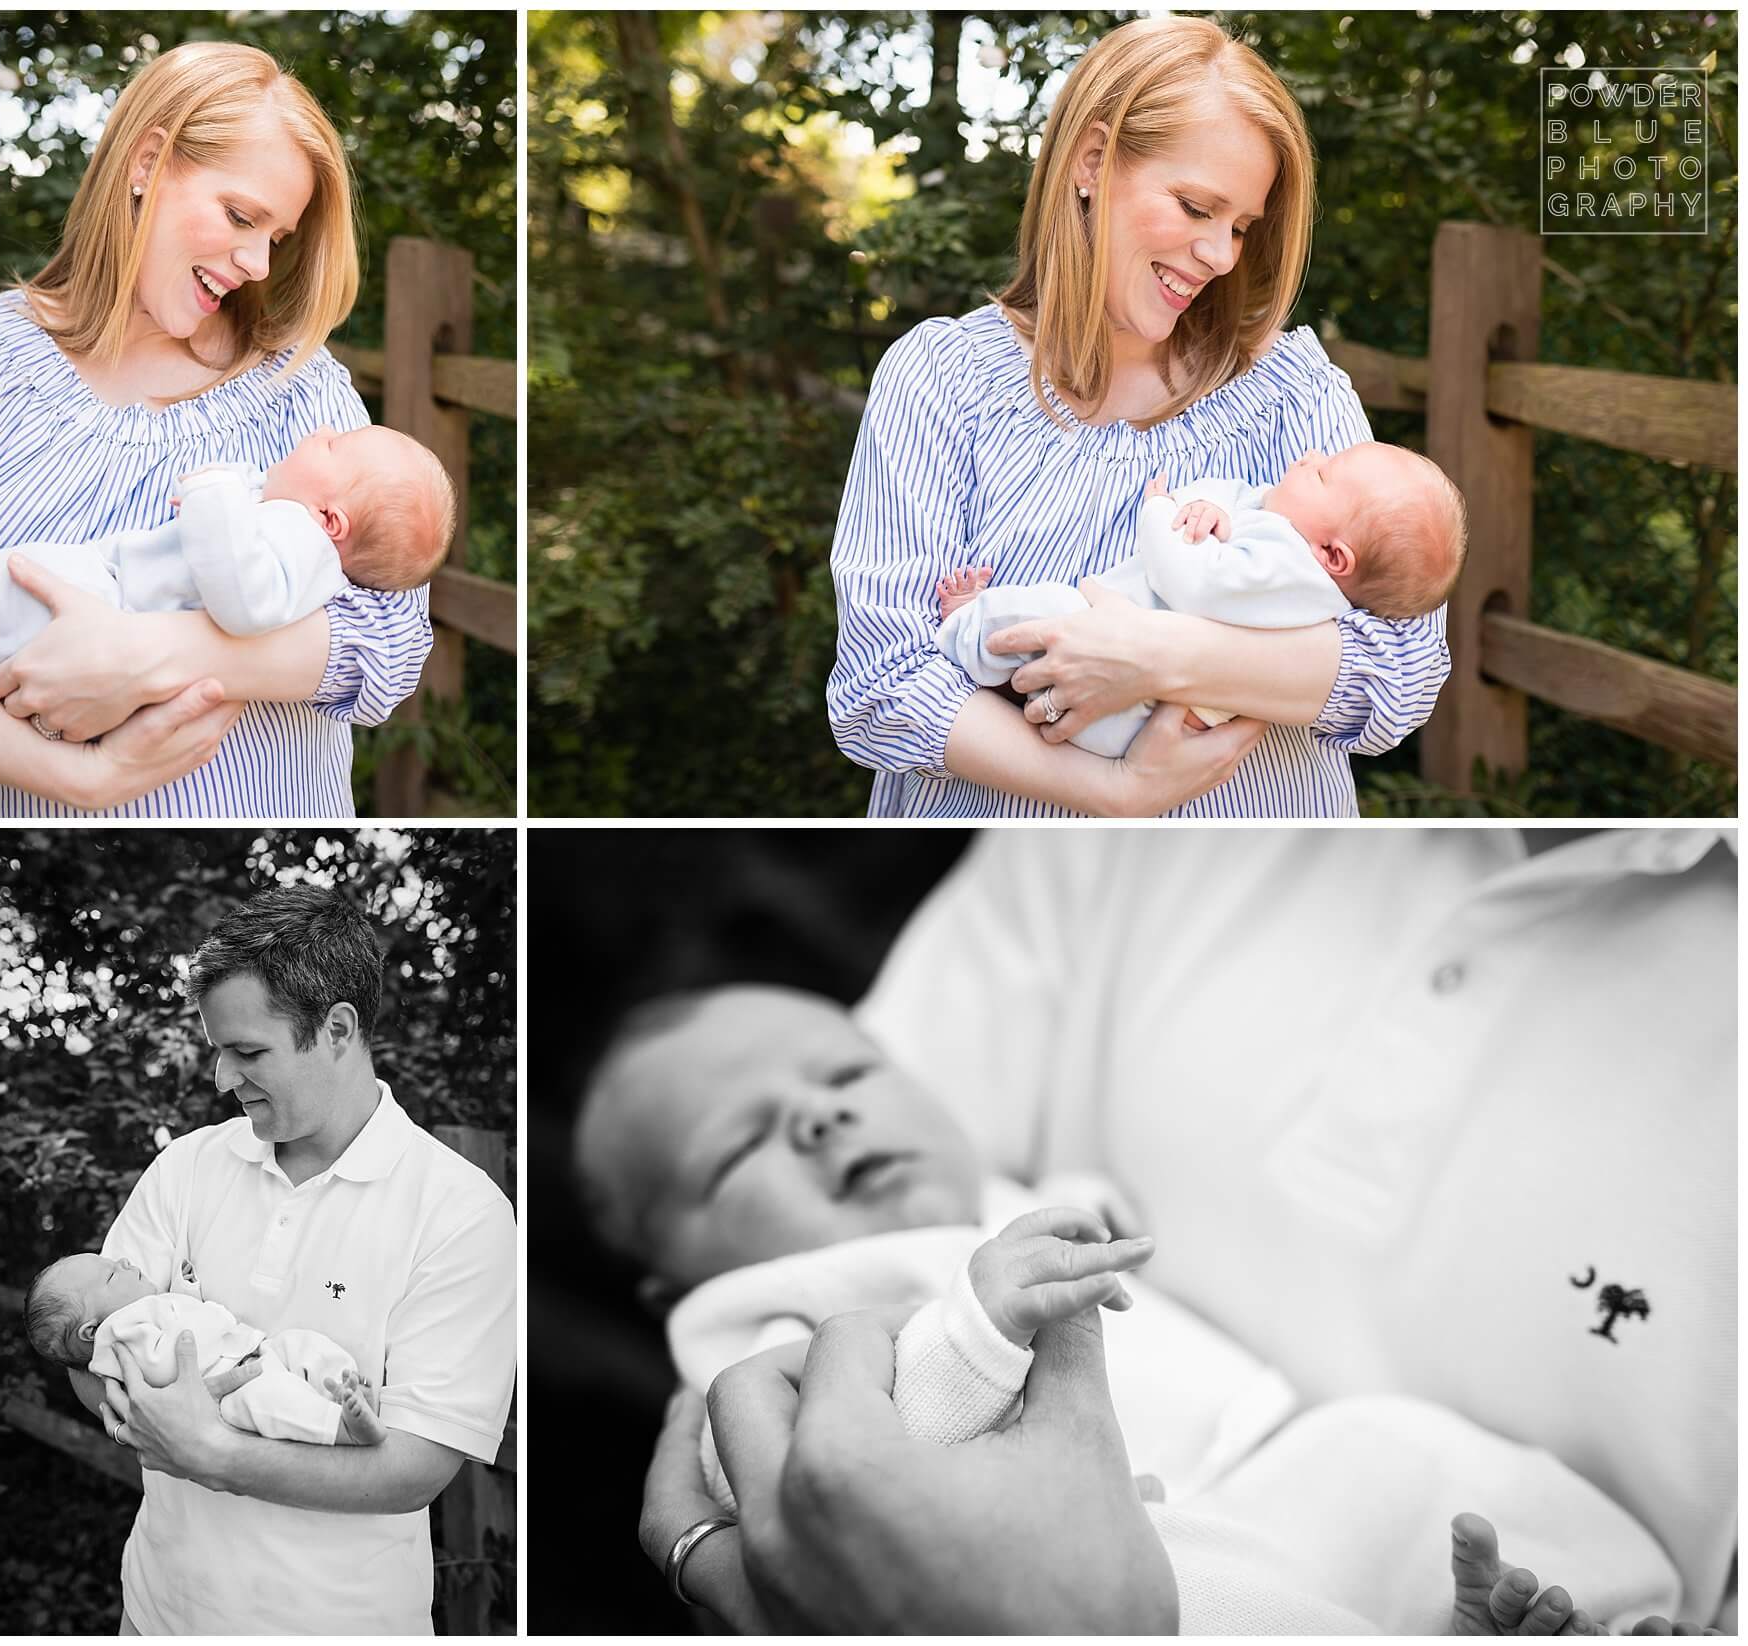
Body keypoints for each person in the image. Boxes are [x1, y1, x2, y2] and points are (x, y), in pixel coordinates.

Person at [639, 829, 1737, 1631]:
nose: (822, 1112)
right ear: (665, 1274)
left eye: (848, 1073)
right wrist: (978, 1329)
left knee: (1417, 1482)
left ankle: (1574, 1611)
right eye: (738, 1148)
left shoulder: (1004, 1184)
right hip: (1152, 1540)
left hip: (1294, 1472)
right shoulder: (749, 1320)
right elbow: (824, 1469)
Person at [827, 16, 1451, 818]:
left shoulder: (1293, 391)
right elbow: (881, 686)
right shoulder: (943, 381)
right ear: (1091, 161)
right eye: (1196, 207)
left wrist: (1157, 656)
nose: (1222, 255)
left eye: (1240, 227)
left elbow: (1402, 665)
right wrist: (1119, 789)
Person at [0, 40, 433, 817]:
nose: (258, 261)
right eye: (240, 216)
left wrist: (153, 655)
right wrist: (86, 780)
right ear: (148, 161)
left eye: (276, 238)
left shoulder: (300, 391)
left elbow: (390, 639)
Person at [65, 883, 516, 1634]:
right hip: (159, 1616)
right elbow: (89, 1350)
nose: (221, 1080)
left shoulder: (460, 1210)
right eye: (218, 1051)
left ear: (338, 1028)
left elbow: (415, 1468)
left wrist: (208, 1448)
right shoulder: (183, 1168)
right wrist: (142, 1420)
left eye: (247, 1052)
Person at [937, 446, 1466, 754]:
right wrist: (1212, 509)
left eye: (1322, 473)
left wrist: (1160, 511)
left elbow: (1190, 583)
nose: (1309, 457)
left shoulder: (1290, 568)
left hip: (1137, 716)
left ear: (1333, 555)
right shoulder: (1287, 551)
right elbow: (1233, 508)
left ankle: (967, 627)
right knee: (1046, 636)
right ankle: (1001, 671)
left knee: (1039, 612)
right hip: (1132, 706)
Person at [0, 426, 456, 669]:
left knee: (0, 580)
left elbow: (244, 601)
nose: (320, 432)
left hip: (114, 604)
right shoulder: (287, 522)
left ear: (330, 521)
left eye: (334, 446)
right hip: (108, 599)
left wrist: (213, 494)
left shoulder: (304, 545)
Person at [24, 1252, 386, 1447]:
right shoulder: (117, 1336)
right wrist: (209, 1315)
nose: (123, 1262)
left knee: (302, 1344)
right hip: (233, 1392)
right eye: (110, 1275)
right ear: (91, 1331)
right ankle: (341, 1429)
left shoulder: (139, 1311)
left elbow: (175, 1319)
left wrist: (186, 1290)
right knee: (275, 1401)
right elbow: (167, 1366)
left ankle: (344, 1390)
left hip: (253, 1352)